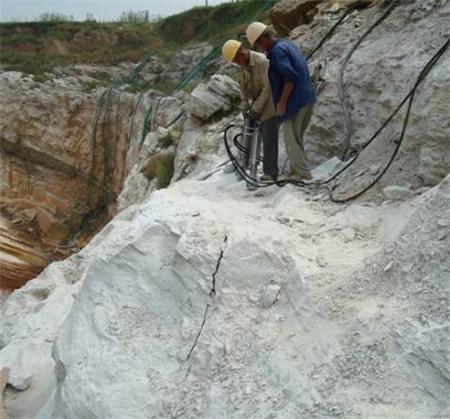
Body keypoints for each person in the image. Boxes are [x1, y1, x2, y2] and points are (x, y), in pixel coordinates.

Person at [246, 22, 316, 180]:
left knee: (290, 138)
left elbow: (290, 77)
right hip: (307, 98)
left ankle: (302, 173)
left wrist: (282, 102)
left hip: (296, 102)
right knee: (296, 138)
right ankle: (294, 169)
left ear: (263, 39)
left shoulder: (277, 52)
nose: (259, 48)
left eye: (258, 44)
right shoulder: (285, 44)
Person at [222, 39, 279, 181]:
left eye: (236, 60)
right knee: (250, 133)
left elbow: (268, 88)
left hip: (270, 103)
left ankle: (270, 172)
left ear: (241, 53)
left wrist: (256, 108)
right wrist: (244, 103)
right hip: (256, 103)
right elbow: (242, 85)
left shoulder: (261, 62)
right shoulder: (244, 65)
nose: (236, 63)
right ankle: (246, 164)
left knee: (268, 136)